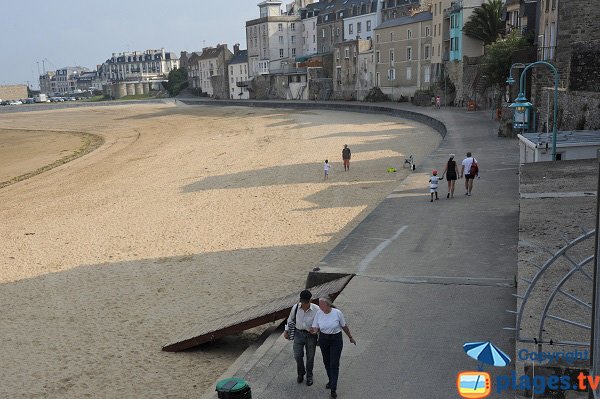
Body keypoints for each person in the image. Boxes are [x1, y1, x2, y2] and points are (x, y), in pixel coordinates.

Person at [310, 296, 356, 398]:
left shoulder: (337, 313)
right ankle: (331, 380)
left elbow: (344, 326)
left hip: (336, 339)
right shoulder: (318, 313)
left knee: (334, 364)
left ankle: (333, 388)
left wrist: (350, 337)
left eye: (321, 304)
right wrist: (312, 331)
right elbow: (316, 328)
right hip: (323, 339)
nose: (319, 306)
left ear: (327, 305)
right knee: (326, 361)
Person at [284, 290, 319, 386]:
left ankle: (309, 377)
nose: (304, 304)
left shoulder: (316, 309)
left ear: (310, 300)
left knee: (310, 358)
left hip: (311, 336)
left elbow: (320, 322)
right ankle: (301, 373)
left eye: (306, 302)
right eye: (302, 302)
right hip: (298, 334)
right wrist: (286, 330)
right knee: (297, 355)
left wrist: (316, 329)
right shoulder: (295, 307)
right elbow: (290, 319)